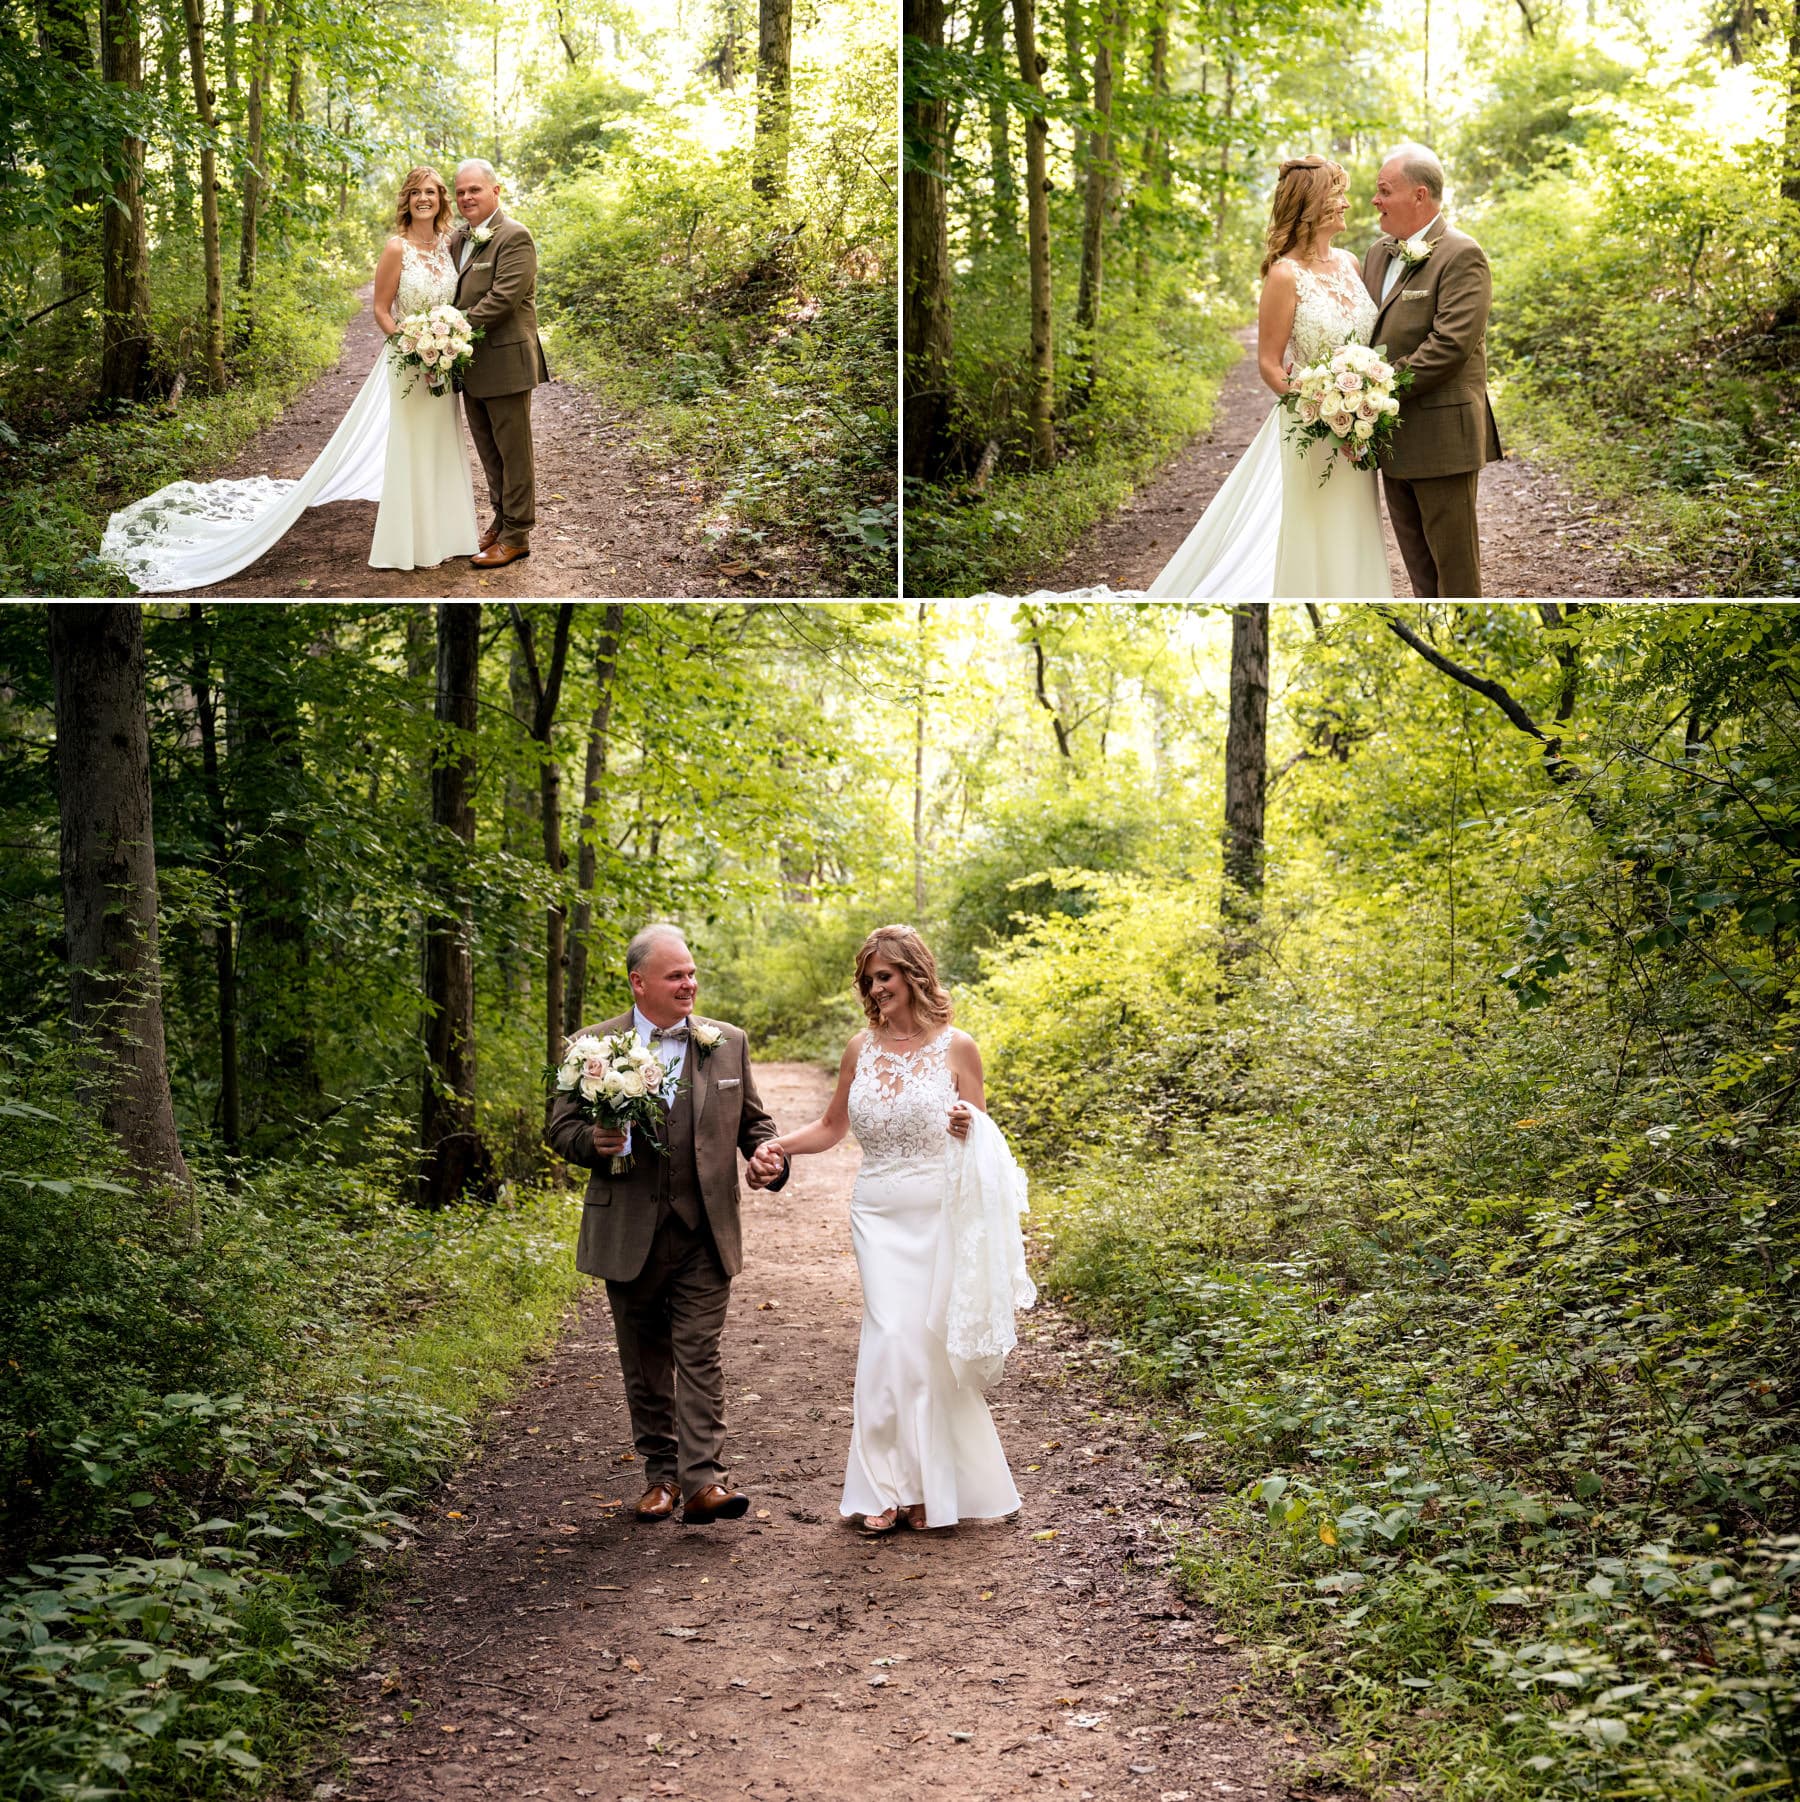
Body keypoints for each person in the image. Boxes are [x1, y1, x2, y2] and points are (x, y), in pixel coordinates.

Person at [99, 167, 479, 592]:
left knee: (444, 441)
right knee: (412, 445)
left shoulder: (450, 246)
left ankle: (453, 535)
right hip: (407, 361)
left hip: (443, 363)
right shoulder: (396, 248)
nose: (423, 199)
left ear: (441, 199)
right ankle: (414, 543)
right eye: (415, 193)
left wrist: (446, 346)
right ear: (406, 201)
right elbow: (381, 311)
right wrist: (412, 347)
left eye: (430, 192)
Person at [765, 925, 1024, 1535]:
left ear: (913, 975)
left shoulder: (959, 1047)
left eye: (885, 976)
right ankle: (883, 1486)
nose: (876, 987)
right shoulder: (862, 1049)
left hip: (936, 1209)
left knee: (925, 1343)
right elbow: (832, 1128)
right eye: (870, 979)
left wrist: (966, 1124)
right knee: (889, 1336)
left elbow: (984, 1137)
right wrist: (779, 1146)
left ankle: (927, 1488)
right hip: (876, 1209)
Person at [545, 925, 789, 1527]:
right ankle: (661, 1477)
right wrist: (594, 1141)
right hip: (628, 1228)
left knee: (699, 1353)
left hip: (706, 1227)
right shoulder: (591, 1046)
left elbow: (755, 1125)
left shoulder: (727, 1043)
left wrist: (768, 1157)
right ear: (639, 982)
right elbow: (559, 1130)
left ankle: (704, 1479)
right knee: (644, 1357)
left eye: (692, 973)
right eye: (676, 975)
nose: (690, 984)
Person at [1149, 155, 1392, 599]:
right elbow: (1269, 364)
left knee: (1357, 520)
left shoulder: (1353, 264)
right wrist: (1320, 411)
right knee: (1317, 524)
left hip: (1360, 427)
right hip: (1313, 428)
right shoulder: (1284, 275)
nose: (1346, 203)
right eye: (1336, 193)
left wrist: (1364, 411)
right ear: (1311, 205)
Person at [1362, 142, 1503, 598]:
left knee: (1455, 573)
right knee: (1420, 573)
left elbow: (1450, 345)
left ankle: (1465, 638)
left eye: (1384, 190)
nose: (1375, 200)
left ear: (1419, 195)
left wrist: (1376, 388)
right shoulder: (1376, 254)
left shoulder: (1462, 254)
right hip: (1390, 435)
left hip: (1442, 438)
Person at [450, 159, 550, 569]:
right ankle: (500, 521)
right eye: (460, 192)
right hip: (470, 366)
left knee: (514, 453)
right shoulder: (458, 239)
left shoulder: (515, 236)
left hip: (506, 362)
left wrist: (449, 330)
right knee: (489, 453)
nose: (466, 197)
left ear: (495, 190)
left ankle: (518, 535)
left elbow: (503, 298)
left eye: (474, 189)